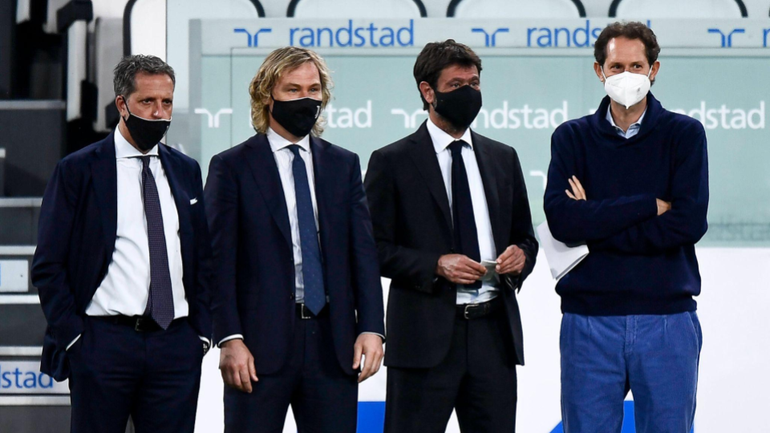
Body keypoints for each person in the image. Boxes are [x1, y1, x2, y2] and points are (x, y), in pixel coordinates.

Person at [204, 46, 385, 433]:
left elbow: (363, 255)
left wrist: (372, 326)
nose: (306, 99)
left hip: (333, 345)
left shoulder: (344, 164)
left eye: (314, 89)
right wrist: (229, 338)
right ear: (267, 95)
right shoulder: (231, 167)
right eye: (293, 90)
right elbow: (217, 261)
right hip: (256, 347)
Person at [364, 39, 538, 433]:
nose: (469, 93)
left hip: (493, 337)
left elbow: (526, 237)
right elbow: (371, 248)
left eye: (474, 84)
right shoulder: (391, 162)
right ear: (428, 92)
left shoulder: (502, 157)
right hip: (424, 341)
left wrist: (521, 258)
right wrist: (435, 265)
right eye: (457, 85)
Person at [31, 55, 212, 433]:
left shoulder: (186, 169)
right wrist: (77, 339)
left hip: (176, 345)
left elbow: (201, 256)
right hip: (102, 343)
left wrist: (200, 335)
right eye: (147, 102)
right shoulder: (78, 169)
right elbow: (49, 264)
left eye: (166, 102)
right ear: (121, 104)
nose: (159, 112)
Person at [544, 21, 708, 433]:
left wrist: (596, 219)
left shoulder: (684, 135)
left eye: (637, 65)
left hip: (667, 320)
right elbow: (563, 222)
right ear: (599, 71)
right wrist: (647, 205)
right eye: (616, 66)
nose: (627, 76)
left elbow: (687, 223)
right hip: (589, 322)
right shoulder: (571, 138)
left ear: (654, 69)